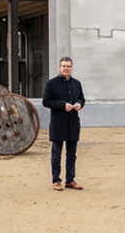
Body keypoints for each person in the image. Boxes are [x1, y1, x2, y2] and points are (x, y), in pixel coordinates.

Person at [43, 57, 85, 191]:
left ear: (71, 68)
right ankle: (56, 180)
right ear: (59, 68)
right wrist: (63, 105)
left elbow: (82, 98)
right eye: (63, 66)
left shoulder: (77, 84)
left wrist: (79, 104)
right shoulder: (51, 84)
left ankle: (70, 180)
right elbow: (46, 101)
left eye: (68, 66)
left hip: (73, 123)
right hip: (58, 124)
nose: (66, 68)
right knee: (56, 153)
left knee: (72, 154)